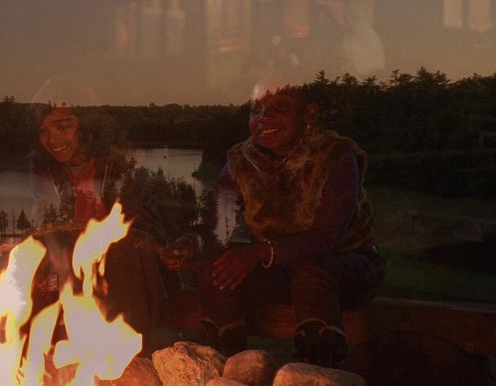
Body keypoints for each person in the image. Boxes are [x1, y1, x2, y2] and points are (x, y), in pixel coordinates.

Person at [163, 77, 385, 367]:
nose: (265, 117)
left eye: (280, 107)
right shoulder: (241, 162)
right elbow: (219, 229)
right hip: (280, 269)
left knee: (312, 272)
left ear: (309, 114)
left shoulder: (334, 157)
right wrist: (191, 244)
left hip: (346, 268)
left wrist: (258, 252)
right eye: (256, 109)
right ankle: (229, 369)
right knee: (215, 270)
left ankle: (320, 374)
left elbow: (325, 239)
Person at [28, 104, 170, 353]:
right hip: (70, 269)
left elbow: (148, 235)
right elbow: (43, 230)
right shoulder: (45, 173)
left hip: (119, 269)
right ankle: (38, 364)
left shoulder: (122, 168)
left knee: (123, 256)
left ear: (88, 129)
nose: (51, 140)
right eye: (44, 131)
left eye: (63, 127)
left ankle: (131, 361)